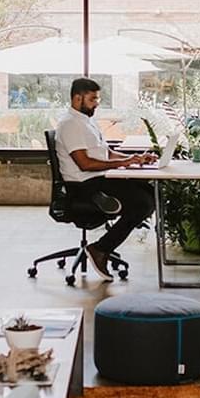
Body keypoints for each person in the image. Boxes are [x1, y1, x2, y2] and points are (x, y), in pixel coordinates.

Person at [54, 77, 158, 279]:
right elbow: (85, 164)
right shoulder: (70, 125)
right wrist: (123, 164)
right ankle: (100, 248)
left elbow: (107, 153)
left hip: (98, 177)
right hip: (84, 184)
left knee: (149, 190)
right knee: (142, 203)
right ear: (77, 99)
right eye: (93, 99)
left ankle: (105, 236)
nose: (96, 104)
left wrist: (133, 159)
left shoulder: (86, 122)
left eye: (98, 99)